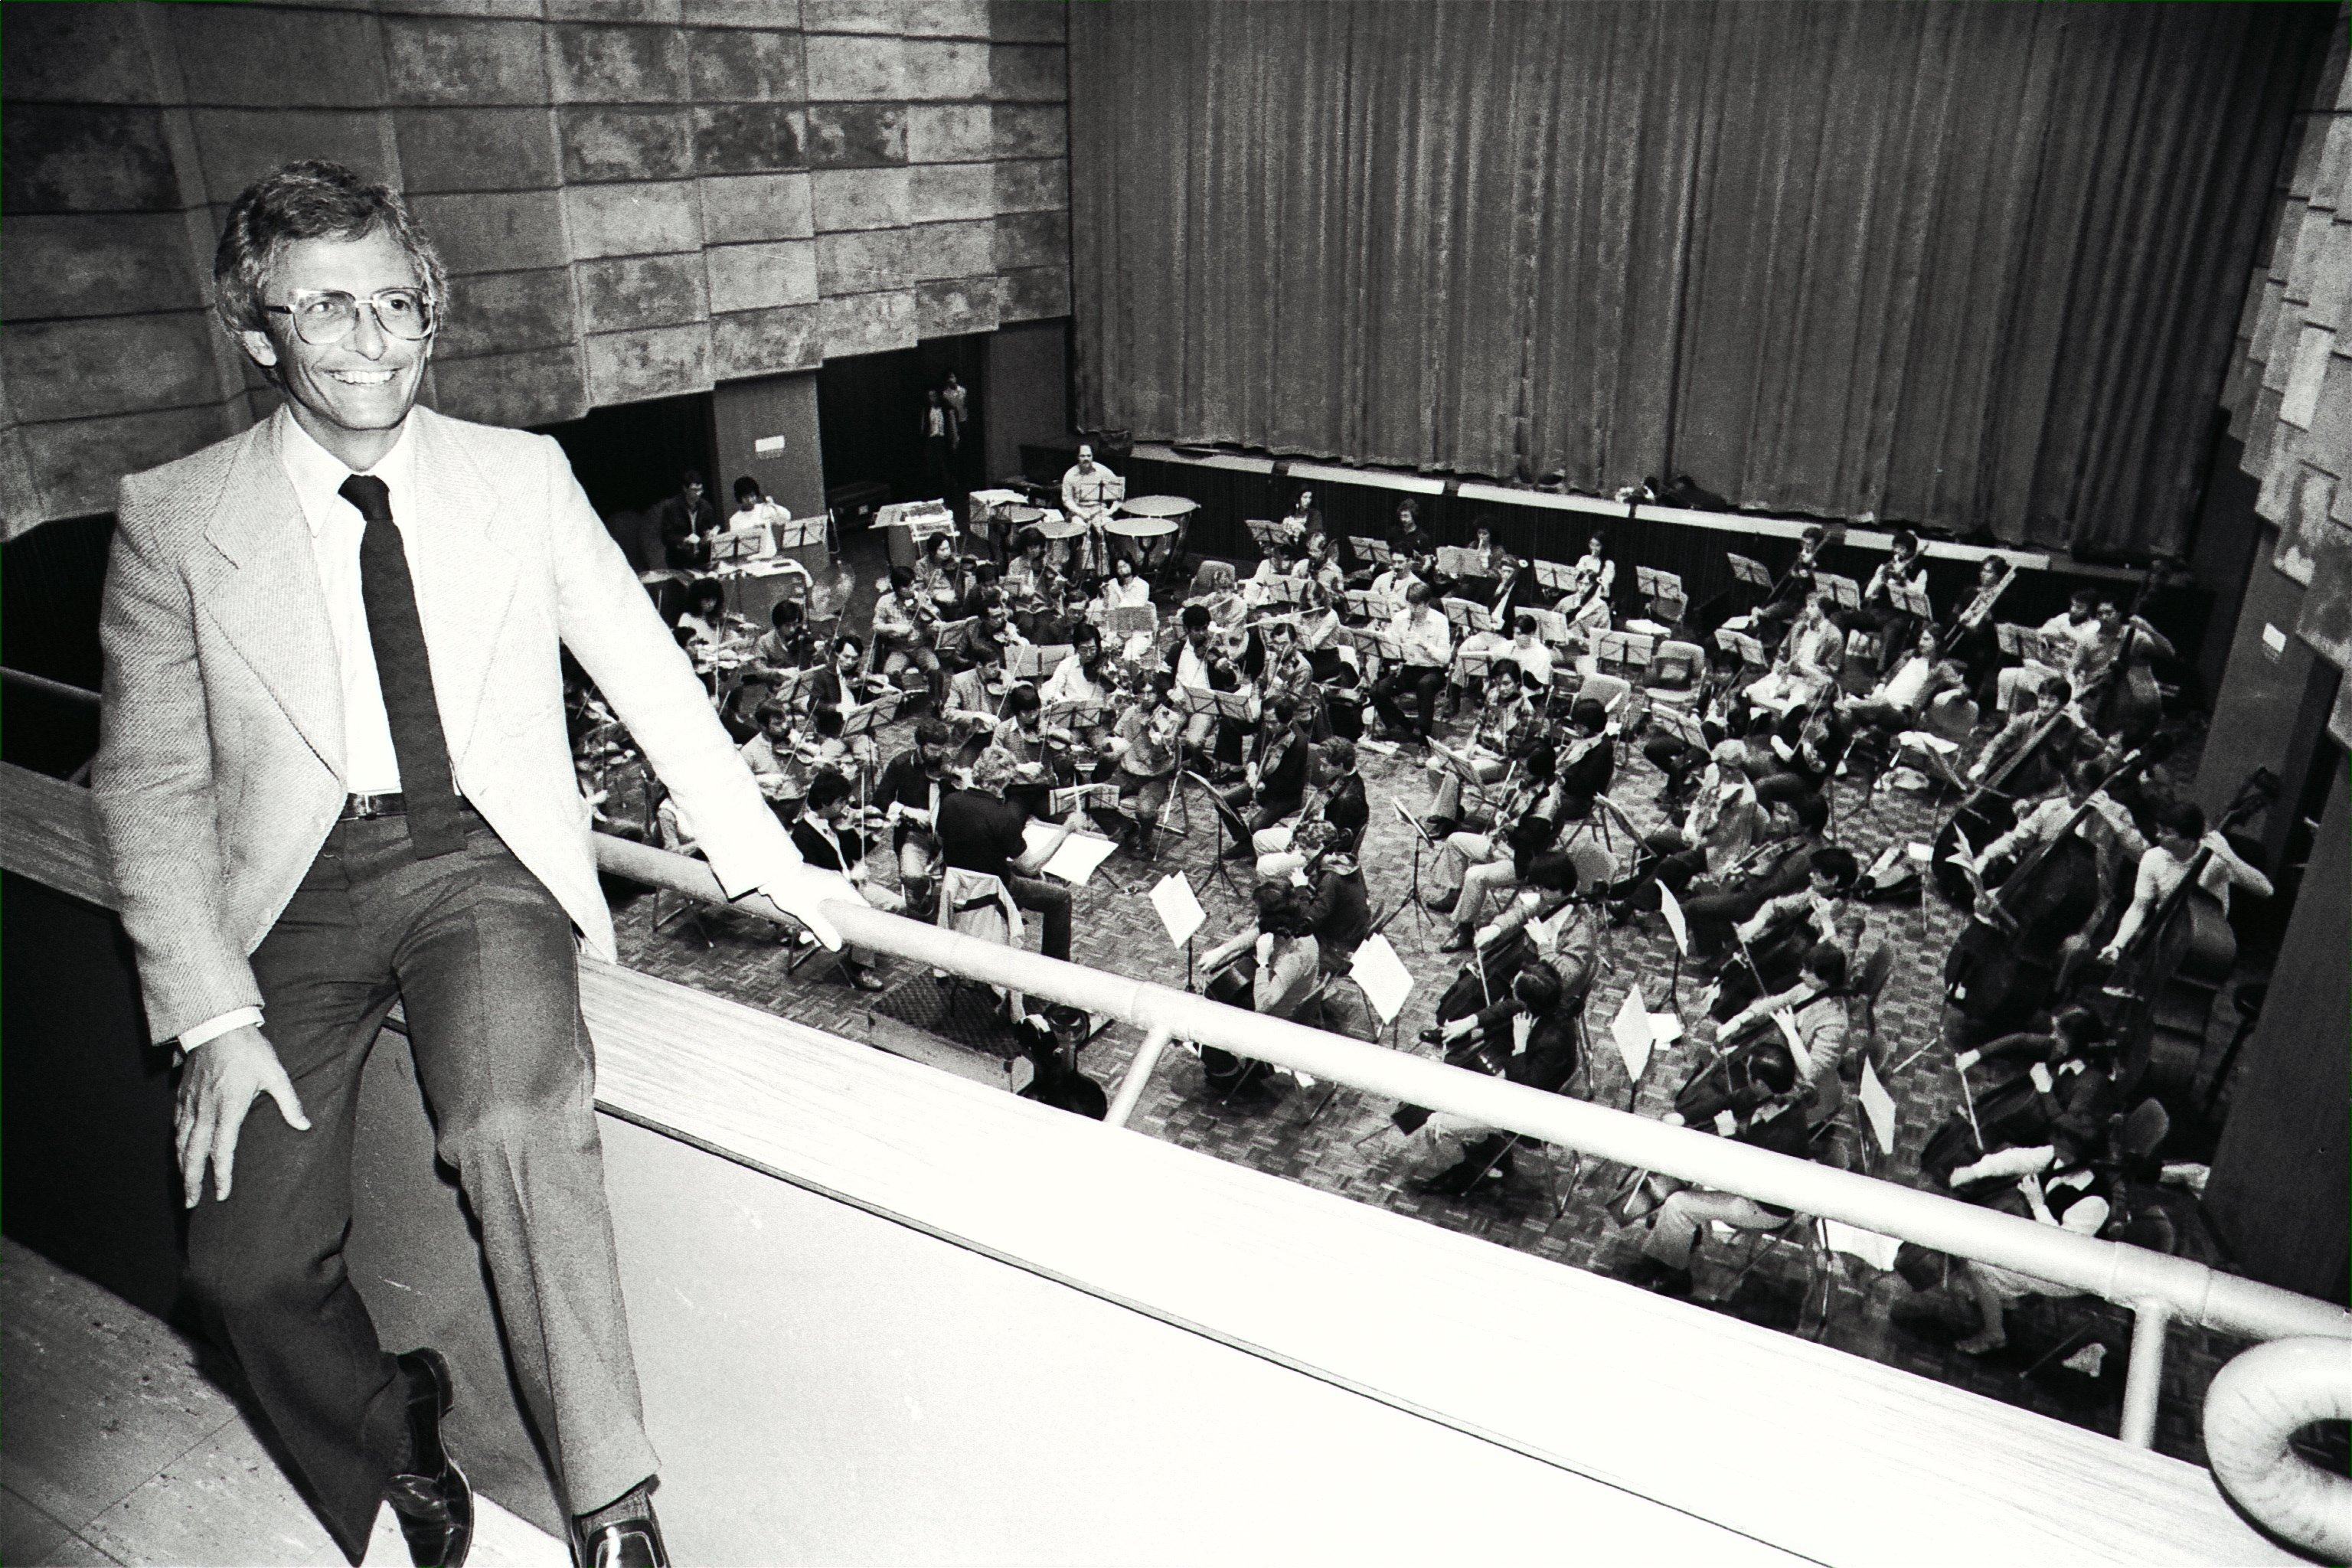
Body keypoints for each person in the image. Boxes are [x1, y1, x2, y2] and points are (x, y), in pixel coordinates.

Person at [92, 161, 852, 1568]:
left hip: (480, 865)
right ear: (255, 332)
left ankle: (616, 1514)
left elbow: (648, 669)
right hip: (292, 898)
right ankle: (395, 1428)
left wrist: (771, 863)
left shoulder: (521, 472)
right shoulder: (174, 515)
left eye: (400, 303)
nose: (377, 344)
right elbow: (147, 782)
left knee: (514, 1116)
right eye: (330, 312)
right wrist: (209, 1013)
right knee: (241, 1266)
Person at [1616, 1041, 1818, 1296]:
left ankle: (1675, 1276)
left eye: (1749, 1075)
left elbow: (1751, 1173)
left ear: (1762, 1084)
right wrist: (1684, 1117)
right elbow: (1730, 1101)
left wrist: (1730, 1135)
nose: (1745, 1078)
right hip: (1750, 1182)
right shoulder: (1771, 1096)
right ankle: (1675, 1241)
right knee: (1684, 1173)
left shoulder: (1786, 1133)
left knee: (1679, 1204)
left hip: (1764, 1204)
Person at [1400, 961, 1585, 1196]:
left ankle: (1472, 1171)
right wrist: (1468, 1023)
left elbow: (1527, 1088)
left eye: (1515, 987)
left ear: (1529, 1002)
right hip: (1513, 1084)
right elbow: (1508, 1007)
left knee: (1437, 1124)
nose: (1510, 986)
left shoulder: (1554, 1041)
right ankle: (1480, 1142)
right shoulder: (1547, 1006)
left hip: (1526, 1110)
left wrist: (1520, 1046)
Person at [937, 747, 1073, 961]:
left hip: (958, 882)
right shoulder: (1004, 817)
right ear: (1005, 783)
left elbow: (941, 838)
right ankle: (1056, 965)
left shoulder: (950, 801)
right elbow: (1030, 866)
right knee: (1061, 898)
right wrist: (1066, 831)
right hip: (993, 888)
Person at [2098, 801, 2272, 965]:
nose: (2158, 835)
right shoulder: (2153, 858)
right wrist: (2117, 944)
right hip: (2161, 934)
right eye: (2159, 829)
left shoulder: (2216, 861)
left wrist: (2229, 856)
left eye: (2166, 832)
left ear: (2188, 839)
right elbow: (2140, 907)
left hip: (2203, 944)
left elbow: (2266, 890)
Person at [791, 772, 902, 991]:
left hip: (849, 885)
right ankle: (860, 966)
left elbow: (853, 852)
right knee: (868, 916)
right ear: (825, 803)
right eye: (842, 802)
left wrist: (875, 835)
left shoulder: (835, 822)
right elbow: (815, 880)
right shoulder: (803, 836)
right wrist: (850, 878)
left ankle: (861, 945)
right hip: (829, 898)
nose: (846, 808)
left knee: (898, 905)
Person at [872, 719, 956, 913]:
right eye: (932, 749)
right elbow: (880, 799)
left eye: (941, 750)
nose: (937, 755)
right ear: (921, 745)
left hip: (947, 833)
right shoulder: (901, 764)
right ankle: (923, 888)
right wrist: (907, 810)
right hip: (914, 832)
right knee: (911, 875)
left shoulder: (950, 766)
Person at [1370, 580, 1454, 743]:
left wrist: (1424, 645)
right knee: (1377, 691)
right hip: (1407, 668)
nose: (1412, 610)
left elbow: (1445, 658)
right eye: (1410, 605)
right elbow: (1391, 645)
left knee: (1425, 685)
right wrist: (1385, 642)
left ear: (1427, 604)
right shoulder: (1401, 618)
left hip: (1432, 670)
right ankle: (1405, 726)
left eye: (1417, 606)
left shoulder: (1440, 621)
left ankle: (1425, 739)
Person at [658, 467, 718, 572]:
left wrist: (709, 535)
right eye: (694, 490)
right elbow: (666, 536)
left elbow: (709, 528)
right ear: (685, 489)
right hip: (679, 559)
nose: (698, 493)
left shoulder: (706, 507)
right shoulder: (671, 507)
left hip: (702, 558)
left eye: (700, 490)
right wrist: (684, 540)